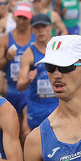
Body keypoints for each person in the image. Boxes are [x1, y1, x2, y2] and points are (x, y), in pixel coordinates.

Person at [17, 13, 59, 141]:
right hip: (37, 110)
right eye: (37, 27)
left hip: (58, 108)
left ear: (50, 27)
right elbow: (19, 86)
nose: (41, 31)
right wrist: (28, 80)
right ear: (32, 30)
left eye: (43, 26)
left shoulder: (60, 49)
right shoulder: (29, 54)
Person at [0, 1, 33, 123]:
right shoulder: (5, 38)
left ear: (30, 18)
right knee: (14, 129)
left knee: (26, 129)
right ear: (14, 17)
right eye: (19, 17)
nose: (21, 21)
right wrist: (7, 58)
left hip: (31, 92)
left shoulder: (37, 38)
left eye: (25, 18)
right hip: (12, 91)